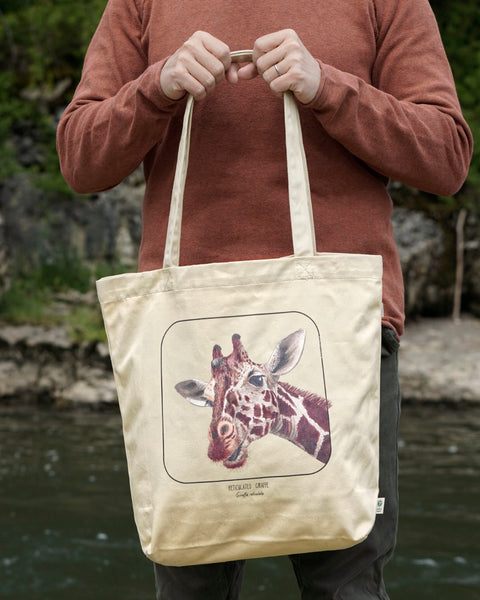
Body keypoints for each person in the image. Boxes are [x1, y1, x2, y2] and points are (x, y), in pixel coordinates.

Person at [57, 1, 472, 598]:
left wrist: (328, 86)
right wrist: (158, 87)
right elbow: (79, 158)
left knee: (347, 588)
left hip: (341, 334)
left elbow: (446, 157)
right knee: (191, 589)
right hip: (191, 340)